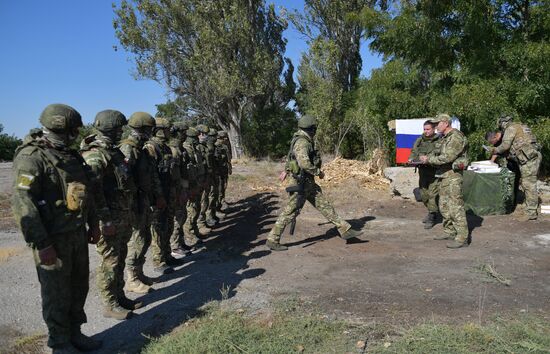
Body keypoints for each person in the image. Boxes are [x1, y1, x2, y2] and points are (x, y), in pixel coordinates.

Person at [12, 104, 102, 353]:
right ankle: (60, 343)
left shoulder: (71, 156)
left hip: (76, 234)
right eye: (74, 130)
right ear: (63, 128)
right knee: (56, 294)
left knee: (78, 286)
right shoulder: (32, 158)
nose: (76, 135)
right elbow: (23, 204)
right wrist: (42, 244)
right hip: (52, 240)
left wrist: (93, 224)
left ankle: (75, 333)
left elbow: (87, 192)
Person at [266, 115, 363, 251]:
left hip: (307, 183)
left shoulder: (300, 140)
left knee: (325, 206)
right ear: (311, 129)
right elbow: (304, 163)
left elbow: (291, 158)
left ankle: (345, 229)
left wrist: (286, 170)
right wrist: (318, 172)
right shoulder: (302, 142)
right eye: (314, 129)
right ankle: (272, 239)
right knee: (290, 212)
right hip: (301, 184)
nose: (315, 131)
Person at [80, 110, 142, 320]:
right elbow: (92, 192)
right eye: (118, 128)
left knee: (121, 256)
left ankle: (119, 295)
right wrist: (103, 220)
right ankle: (110, 303)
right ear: (109, 128)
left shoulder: (112, 152)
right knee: (110, 261)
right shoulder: (96, 154)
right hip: (108, 219)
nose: (121, 132)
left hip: (121, 215)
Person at [120, 112, 166, 294]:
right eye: (149, 129)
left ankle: (138, 273)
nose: (151, 132)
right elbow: (123, 180)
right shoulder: (127, 149)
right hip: (134, 202)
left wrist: (157, 196)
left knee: (146, 238)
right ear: (142, 128)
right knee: (137, 240)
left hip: (144, 200)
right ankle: (131, 278)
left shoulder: (143, 149)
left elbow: (151, 175)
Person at [419, 113, 469, 249]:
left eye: (437, 124)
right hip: (443, 175)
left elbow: (447, 157)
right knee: (444, 206)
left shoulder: (456, 137)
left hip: (453, 176)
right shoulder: (445, 137)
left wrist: (428, 160)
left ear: (446, 123)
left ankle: (462, 237)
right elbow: (437, 153)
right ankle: (450, 231)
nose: (435, 126)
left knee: (455, 207)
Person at [487, 115, 542, 221]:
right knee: (529, 183)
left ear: (503, 123)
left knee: (528, 184)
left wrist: (494, 150)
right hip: (532, 156)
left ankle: (531, 212)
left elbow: (505, 146)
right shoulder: (521, 126)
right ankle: (530, 209)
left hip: (528, 159)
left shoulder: (510, 128)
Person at [409, 120, 441, 229]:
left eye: (428, 129)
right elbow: (414, 151)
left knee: (432, 195)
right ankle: (432, 212)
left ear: (433, 129)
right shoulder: (420, 140)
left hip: (435, 172)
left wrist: (428, 158)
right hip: (423, 171)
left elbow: (440, 154)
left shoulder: (440, 140)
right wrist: (411, 159)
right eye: (424, 129)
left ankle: (432, 216)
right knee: (423, 195)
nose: (426, 131)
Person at [168, 121, 193, 257]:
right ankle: (175, 246)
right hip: (175, 191)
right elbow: (173, 175)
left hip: (181, 189)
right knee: (177, 219)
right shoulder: (173, 150)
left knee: (182, 217)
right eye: (183, 132)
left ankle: (180, 243)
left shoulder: (180, 149)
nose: (185, 135)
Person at [182, 127, 205, 246]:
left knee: (196, 208)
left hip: (197, 183)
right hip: (190, 185)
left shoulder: (195, 149)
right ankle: (190, 236)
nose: (198, 138)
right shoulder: (186, 149)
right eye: (195, 137)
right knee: (191, 210)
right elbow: (185, 171)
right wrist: (188, 188)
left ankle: (194, 231)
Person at [216, 131, 232, 211]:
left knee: (224, 186)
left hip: (224, 170)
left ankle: (222, 200)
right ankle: (219, 204)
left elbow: (228, 159)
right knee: (219, 188)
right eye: (224, 137)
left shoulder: (225, 146)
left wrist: (229, 169)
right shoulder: (216, 146)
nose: (226, 138)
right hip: (219, 172)